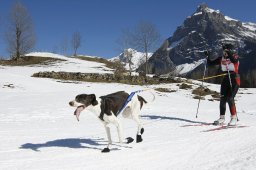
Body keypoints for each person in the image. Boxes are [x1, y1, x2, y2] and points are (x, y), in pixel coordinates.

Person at [205, 43, 240, 126]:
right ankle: (221, 118)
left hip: (234, 79)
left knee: (230, 98)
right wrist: (207, 57)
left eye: (225, 50)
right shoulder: (221, 58)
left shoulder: (235, 56)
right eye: (223, 50)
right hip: (225, 79)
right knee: (222, 98)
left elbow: (234, 61)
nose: (224, 52)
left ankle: (234, 118)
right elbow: (210, 64)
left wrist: (228, 53)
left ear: (230, 50)